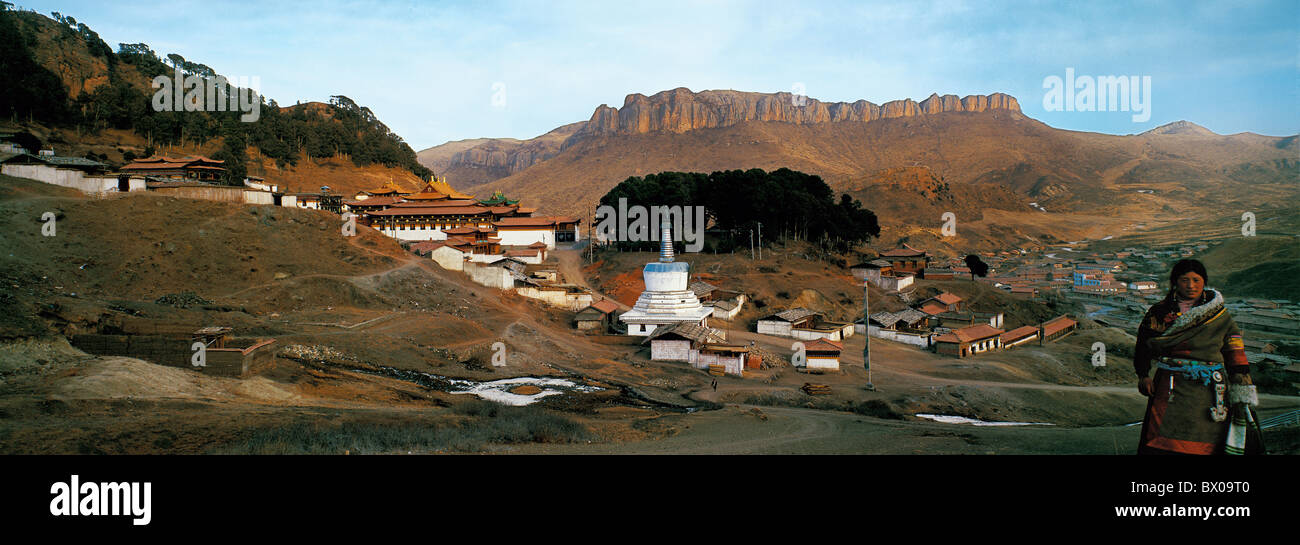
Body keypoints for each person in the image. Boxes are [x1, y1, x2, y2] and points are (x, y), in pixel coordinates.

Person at [1133, 259, 1263, 455]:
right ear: (1175, 282)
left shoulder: (1219, 315)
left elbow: (1235, 351)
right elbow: (1143, 345)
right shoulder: (1159, 312)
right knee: (1162, 438)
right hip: (1170, 384)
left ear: (1204, 282)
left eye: (1196, 280)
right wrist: (1143, 375)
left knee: (1206, 439)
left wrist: (1242, 385)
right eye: (1185, 280)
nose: (1191, 285)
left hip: (1210, 389)